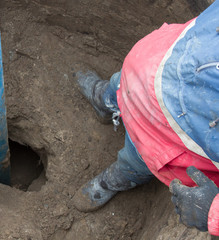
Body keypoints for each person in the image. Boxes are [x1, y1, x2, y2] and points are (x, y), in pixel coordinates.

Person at [72, 0, 219, 235]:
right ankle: (105, 101)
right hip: (157, 62)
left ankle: (113, 180)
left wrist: (213, 212)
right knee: (120, 84)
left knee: (136, 160)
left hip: (172, 141)